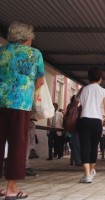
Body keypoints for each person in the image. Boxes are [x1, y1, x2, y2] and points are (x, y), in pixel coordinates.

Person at [0, 21, 45, 199]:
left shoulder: (1, 51)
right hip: (20, 104)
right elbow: (40, 81)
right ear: (26, 38)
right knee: (18, 144)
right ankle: (11, 188)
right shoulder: (34, 54)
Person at [77, 67, 105, 183]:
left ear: (89, 77)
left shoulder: (83, 90)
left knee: (85, 147)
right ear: (100, 78)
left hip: (84, 120)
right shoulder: (103, 91)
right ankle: (91, 172)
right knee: (94, 147)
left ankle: (87, 175)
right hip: (97, 121)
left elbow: (78, 104)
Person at [66, 95, 82, 166]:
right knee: (77, 144)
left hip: (74, 127)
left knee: (76, 144)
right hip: (76, 127)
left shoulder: (71, 106)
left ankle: (78, 160)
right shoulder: (74, 107)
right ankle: (78, 161)